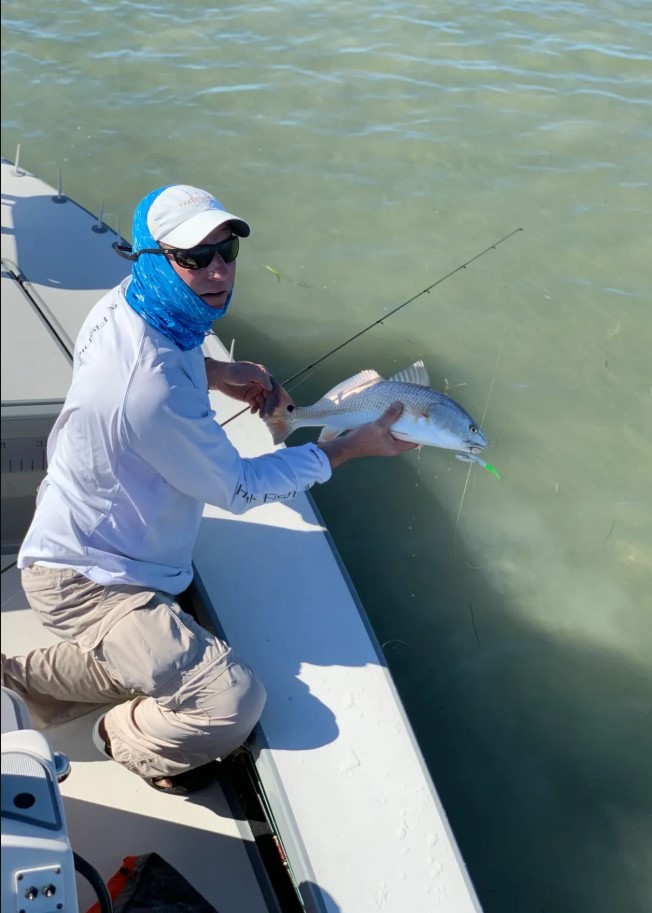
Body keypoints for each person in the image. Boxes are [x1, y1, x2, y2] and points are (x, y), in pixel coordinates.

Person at [1, 184, 416, 795]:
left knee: (168, 638)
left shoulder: (129, 305)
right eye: (194, 258)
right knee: (230, 703)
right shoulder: (152, 387)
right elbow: (240, 488)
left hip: (92, 533)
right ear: (149, 258)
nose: (218, 269)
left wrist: (217, 372)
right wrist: (346, 449)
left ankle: (29, 678)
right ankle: (118, 736)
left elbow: (162, 365)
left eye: (227, 250)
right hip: (89, 579)